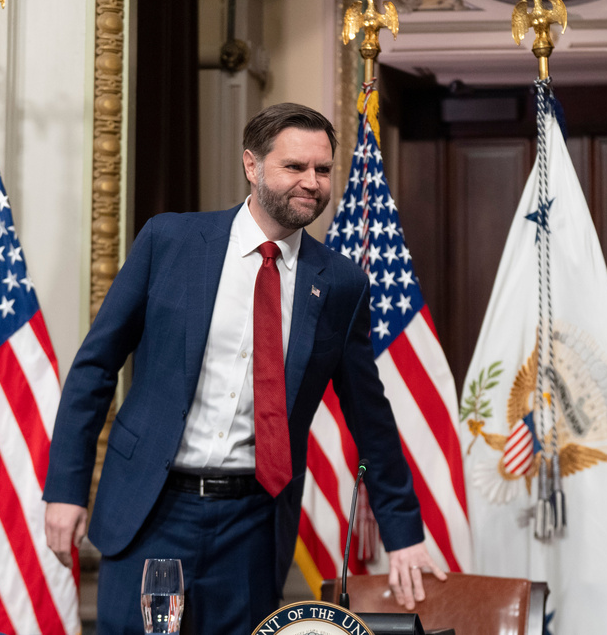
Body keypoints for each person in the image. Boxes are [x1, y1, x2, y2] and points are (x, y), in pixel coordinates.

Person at [44, 103, 445, 634]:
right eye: (295, 167)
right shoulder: (170, 242)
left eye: (322, 170)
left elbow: (370, 414)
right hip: (152, 512)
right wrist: (65, 489)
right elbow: (95, 367)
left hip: (253, 526)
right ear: (251, 166)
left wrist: (403, 531)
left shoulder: (342, 282)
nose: (312, 183)